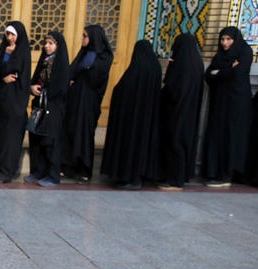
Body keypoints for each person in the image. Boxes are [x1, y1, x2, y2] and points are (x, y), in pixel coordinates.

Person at [101, 39, 163, 189]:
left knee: (131, 145)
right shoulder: (156, 67)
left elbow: (123, 90)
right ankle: (139, 176)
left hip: (132, 118)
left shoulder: (137, 68)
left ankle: (129, 178)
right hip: (147, 118)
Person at [201, 26, 254, 187]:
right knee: (217, 135)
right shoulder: (220, 56)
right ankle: (214, 171)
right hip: (220, 103)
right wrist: (228, 69)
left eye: (228, 39)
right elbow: (209, 75)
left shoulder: (245, 52)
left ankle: (227, 174)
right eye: (222, 39)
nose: (225, 43)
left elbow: (238, 73)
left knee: (232, 137)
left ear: (235, 39)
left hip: (237, 104)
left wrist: (220, 73)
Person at [63, 24, 114, 183]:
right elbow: (72, 71)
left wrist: (87, 66)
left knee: (84, 134)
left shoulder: (103, 57)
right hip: (74, 101)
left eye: (85, 36)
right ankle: (69, 167)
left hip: (89, 103)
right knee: (70, 131)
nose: (82, 39)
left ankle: (84, 170)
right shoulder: (84, 54)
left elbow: (96, 79)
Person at [157, 33, 205, 190]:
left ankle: (174, 180)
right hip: (190, 111)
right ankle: (181, 177)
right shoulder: (197, 62)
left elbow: (171, 87)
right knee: (183, 142)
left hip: (176, 110)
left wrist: (171, 67)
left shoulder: (180, 63)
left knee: (174, 141)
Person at [0, 21, 31, 183]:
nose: (10, 38)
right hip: (1, 102)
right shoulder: (4, 50)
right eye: (8, 34)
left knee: (9, 139)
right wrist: (3, 76)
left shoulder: (22, 53)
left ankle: (7, 172)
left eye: (13, 35)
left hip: (15, 104)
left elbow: (13, 71)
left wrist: (8, 60)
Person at [25, 31, 70, 187]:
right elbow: (35, 78)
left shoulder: (61, 63)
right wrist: (33, 88)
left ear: (58, 46)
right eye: (45, 43)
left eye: (51, 43)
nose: (47, 46)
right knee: (37, 138)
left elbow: (61, 86)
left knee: (51, 141)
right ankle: (38, 171)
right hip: (40, 105)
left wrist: (47, 92)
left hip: (54, 107)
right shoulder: (44, 60)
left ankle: (52, 175)